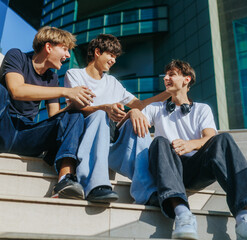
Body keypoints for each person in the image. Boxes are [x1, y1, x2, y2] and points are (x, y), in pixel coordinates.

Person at [0, 26, 95, 201]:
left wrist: (73, 106)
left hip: (27, 136)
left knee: (74, 115)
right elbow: (17, 90)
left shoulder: (52, 78)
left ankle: (65, 179)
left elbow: (54, 115)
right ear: (48, 47)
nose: (68, 55)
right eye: (64, 49)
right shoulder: (17, 56)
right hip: (1, 130)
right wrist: (65, 91)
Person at [141, 60, 247, 240]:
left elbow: (209, 137)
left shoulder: (202, 109)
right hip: (168, 168)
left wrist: (191, 144)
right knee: (159, 141)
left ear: (186, 79)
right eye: (165, 75)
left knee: (223, 139)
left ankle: (244, 219)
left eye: (172, 74)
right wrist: (136, 112)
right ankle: (183, 215)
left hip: (195, 170)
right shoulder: (155, 108)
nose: (166, 78)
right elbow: (132, 123)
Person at [64, 34, 169, 203]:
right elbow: (76, 108)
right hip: (85, 137)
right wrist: (104, 108)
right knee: (99, 115)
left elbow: (140, 104)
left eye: (115, 57)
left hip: (110, 140)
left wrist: (170, 93)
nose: (113, 60)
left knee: (138, 119)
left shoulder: (112, 82)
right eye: (110, 55)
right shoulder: (75, 74)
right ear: (97, 52)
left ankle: (148, 192)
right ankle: (95, 185)